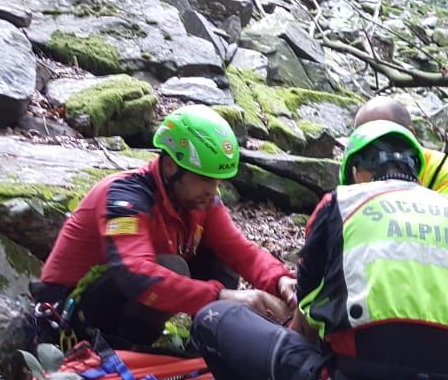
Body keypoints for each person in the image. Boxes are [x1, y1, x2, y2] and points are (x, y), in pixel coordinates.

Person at [191, 120, 448, 380]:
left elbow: (307, 317)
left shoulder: (342, 204)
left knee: (211, 320)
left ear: (358, 172)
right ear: (416, 174)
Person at [31, 105, 295, 348]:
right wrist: (222, 296)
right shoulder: (126, 197)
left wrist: (279, 280)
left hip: (108, 299)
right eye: (204, 179)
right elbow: (134, 274)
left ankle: (209, 344)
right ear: (170, 167)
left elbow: (241, 252)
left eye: (217, 182)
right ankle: (122, 349)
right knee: (171, 267)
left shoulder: (197, 201)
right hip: (66, 312)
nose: (212, 191)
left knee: (219, 257)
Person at [352, 97, 448, 211]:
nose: (377, 150)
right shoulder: (358, 164)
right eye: (364, 141)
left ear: (410, 134)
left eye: (388, 138)